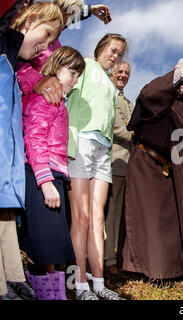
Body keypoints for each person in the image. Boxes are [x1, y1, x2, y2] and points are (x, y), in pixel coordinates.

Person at [119, 52, 183, 281]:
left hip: (171, 168)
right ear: (177, 71)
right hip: (146, 165)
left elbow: (182, 143)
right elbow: (150, 96)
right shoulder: (159, 91)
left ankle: (177, 268)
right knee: (150, 222)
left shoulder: (182, 105)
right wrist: (180, 70)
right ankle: (148, 270)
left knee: (171, 222)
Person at [0, 0, 63, 300]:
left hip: (8, 164)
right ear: (29, 20)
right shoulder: (4, 49)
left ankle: (13, 276)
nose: (45, 47)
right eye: (46, 35)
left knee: (6, 212)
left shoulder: (15, 63)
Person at [19, 46, 85, 300]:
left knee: (54, 246)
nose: (75, 80)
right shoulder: (45, 98)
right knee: (44, 245)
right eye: (71, 72)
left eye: (78, 75)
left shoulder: (58, 101)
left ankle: (56, 295)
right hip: (42, 177)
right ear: (55, 67)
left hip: (55, 175)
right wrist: (45, 181)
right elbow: (34, 139)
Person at [66, 33, 127, 300]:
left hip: (104, 149)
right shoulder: (85, 65)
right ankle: (79, 285)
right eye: (113, 50)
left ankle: (99, 284)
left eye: (120, 53)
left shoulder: (111, 84)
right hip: (81, 142)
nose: (115, 56)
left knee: (98, 218)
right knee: (81, 217)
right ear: (101, 47)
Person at [17, 0, 111, 106]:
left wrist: (91, 10)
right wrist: (38, 82)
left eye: (71, 15)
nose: (67, 18)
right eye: (66, 13)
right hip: (28, 99)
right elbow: (18, 64)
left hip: (48, 101)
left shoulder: (54, 42)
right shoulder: (36, 36)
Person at [104, 61, 134, 273]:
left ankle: (119, 258)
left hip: (129, 165)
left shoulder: (129, 103)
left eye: (126, 73)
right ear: (112, 73)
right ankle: (108, 260)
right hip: (114, 162)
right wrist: (141, 137)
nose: (123, 75)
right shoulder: (107, 95)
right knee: (110, 214)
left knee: (123, 215)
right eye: (120, 72)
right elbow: (118, 129)